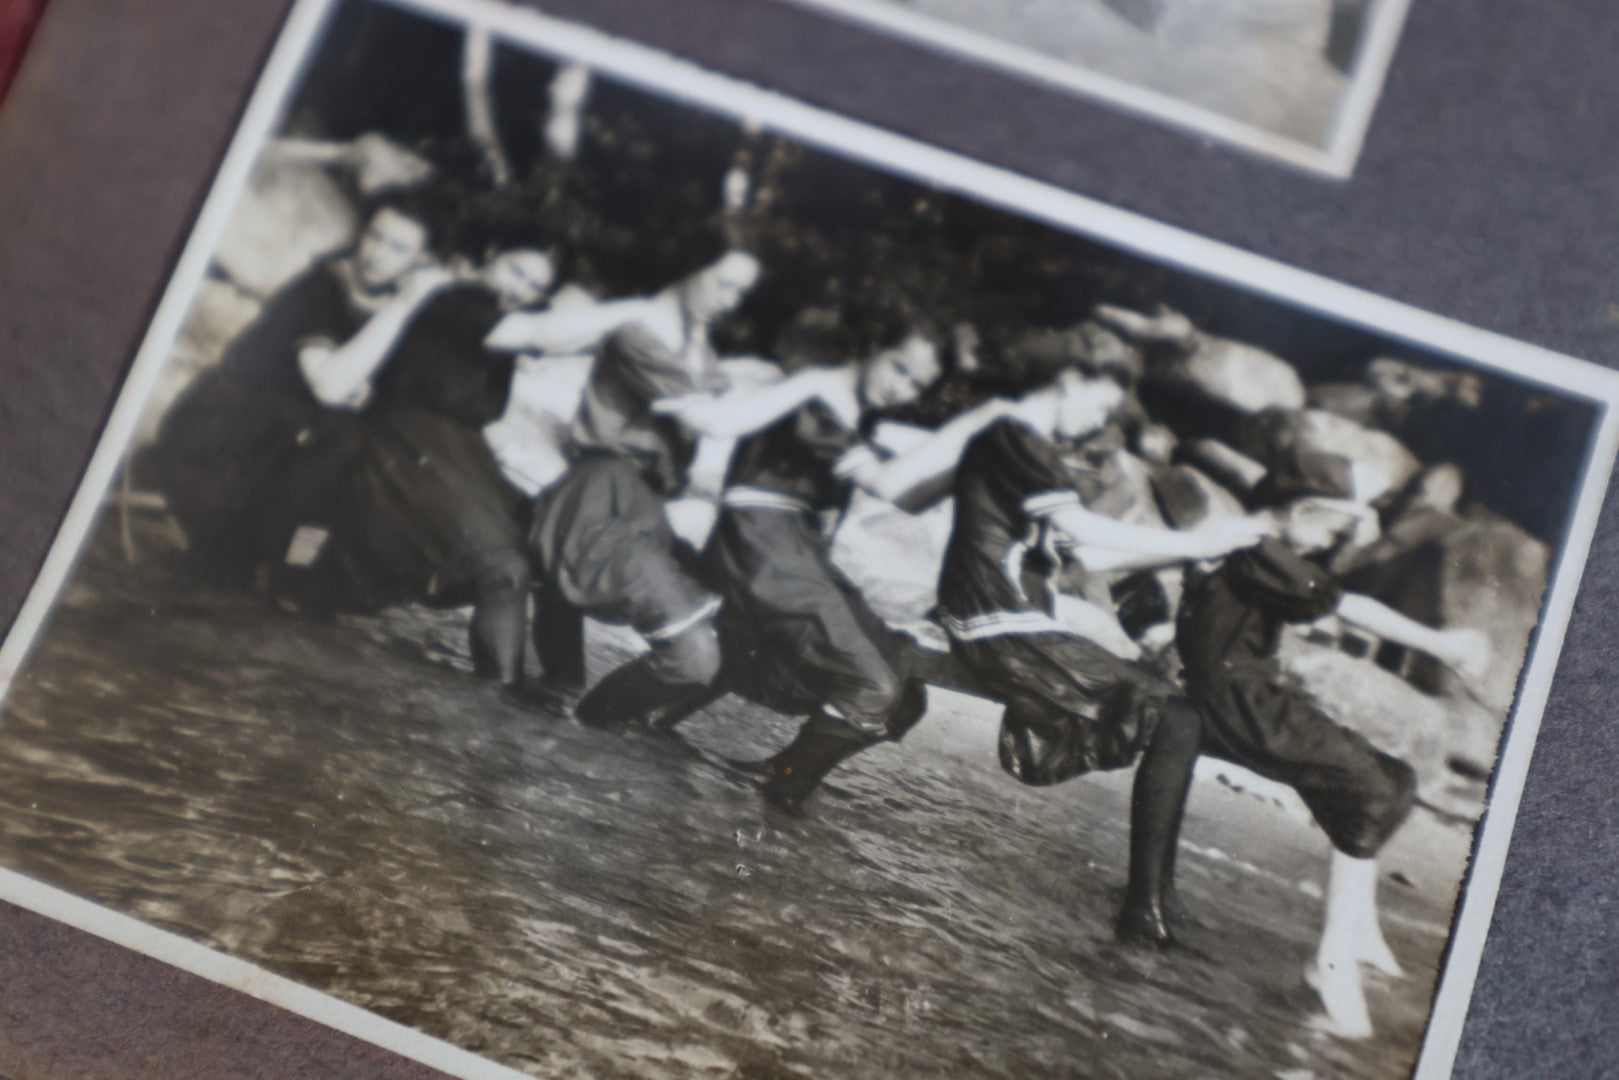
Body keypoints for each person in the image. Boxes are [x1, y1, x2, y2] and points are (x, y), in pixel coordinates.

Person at [585, 323, 1018, 818]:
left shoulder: (856, 413)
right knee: (874, 686)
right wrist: (982, 418)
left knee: (899, 696)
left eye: (915, 386)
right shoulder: (820, 388)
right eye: (899, 369)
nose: (901, 389)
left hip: (792, 552)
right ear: (872, 345)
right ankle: (774, 786)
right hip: (760, 546)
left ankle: (767, 775)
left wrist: (973, 467)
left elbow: (910, 496)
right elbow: (890, 484)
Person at [933, 369, 1269, 947]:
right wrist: (1196, 542)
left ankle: (1156, 900)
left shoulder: (1035, 452)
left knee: (1181, 717)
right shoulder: (1012, 435)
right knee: (1177, 719)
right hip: (992, 622)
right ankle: (1145, 908)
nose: (1099, 424)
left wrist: (1199, 557)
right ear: (1067, 379)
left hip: (1016, 621)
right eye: (1099, 405)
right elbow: (1079, 525)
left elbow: (1086, 551)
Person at [1172, 496, 1488, 1038]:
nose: (1326, 546)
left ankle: (1358, 930)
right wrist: (1443, 643)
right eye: (1327, 532)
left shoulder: (1249, 547)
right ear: (1301, 510)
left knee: (1397, 779)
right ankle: (1331, 962)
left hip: (1250, 694)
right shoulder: (1258, 550)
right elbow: (1345, 606)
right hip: (1242, 704)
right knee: (1370, 788)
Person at [523, 251, 861, 713]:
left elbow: (728, 393)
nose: (730, 300)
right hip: (602, 498)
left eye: (740, 292)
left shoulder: (695, 344)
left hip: (640, 505)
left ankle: (586, 724)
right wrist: (808, 384)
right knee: (694, 655)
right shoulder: (642, 333)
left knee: (722, 636)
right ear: (689, 266)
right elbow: (713, 420)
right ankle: (588, 722)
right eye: (723, 283)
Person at [285, 247, 559, 687]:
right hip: (403, 448)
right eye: (517, 271)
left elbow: (478, 409)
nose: (520, 289)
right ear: (488, 257)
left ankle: (526, 690)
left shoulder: (494, 331)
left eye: (534, 286)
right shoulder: (451, 301)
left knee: (528, 553)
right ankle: (500, 702)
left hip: (450, 458)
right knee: (503, 567)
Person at [149, 201, 447, 591]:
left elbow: (373, 388)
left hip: (277, 435)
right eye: (376, 236)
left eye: (397, 248)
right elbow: (329, 388)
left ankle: (297, 567)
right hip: (219, 433)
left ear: (420, 262)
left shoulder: (389, 308)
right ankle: (250, 554)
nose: (377, 254)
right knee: (338, 440)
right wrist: (403, 306)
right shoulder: (322, 287)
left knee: (365, 445)